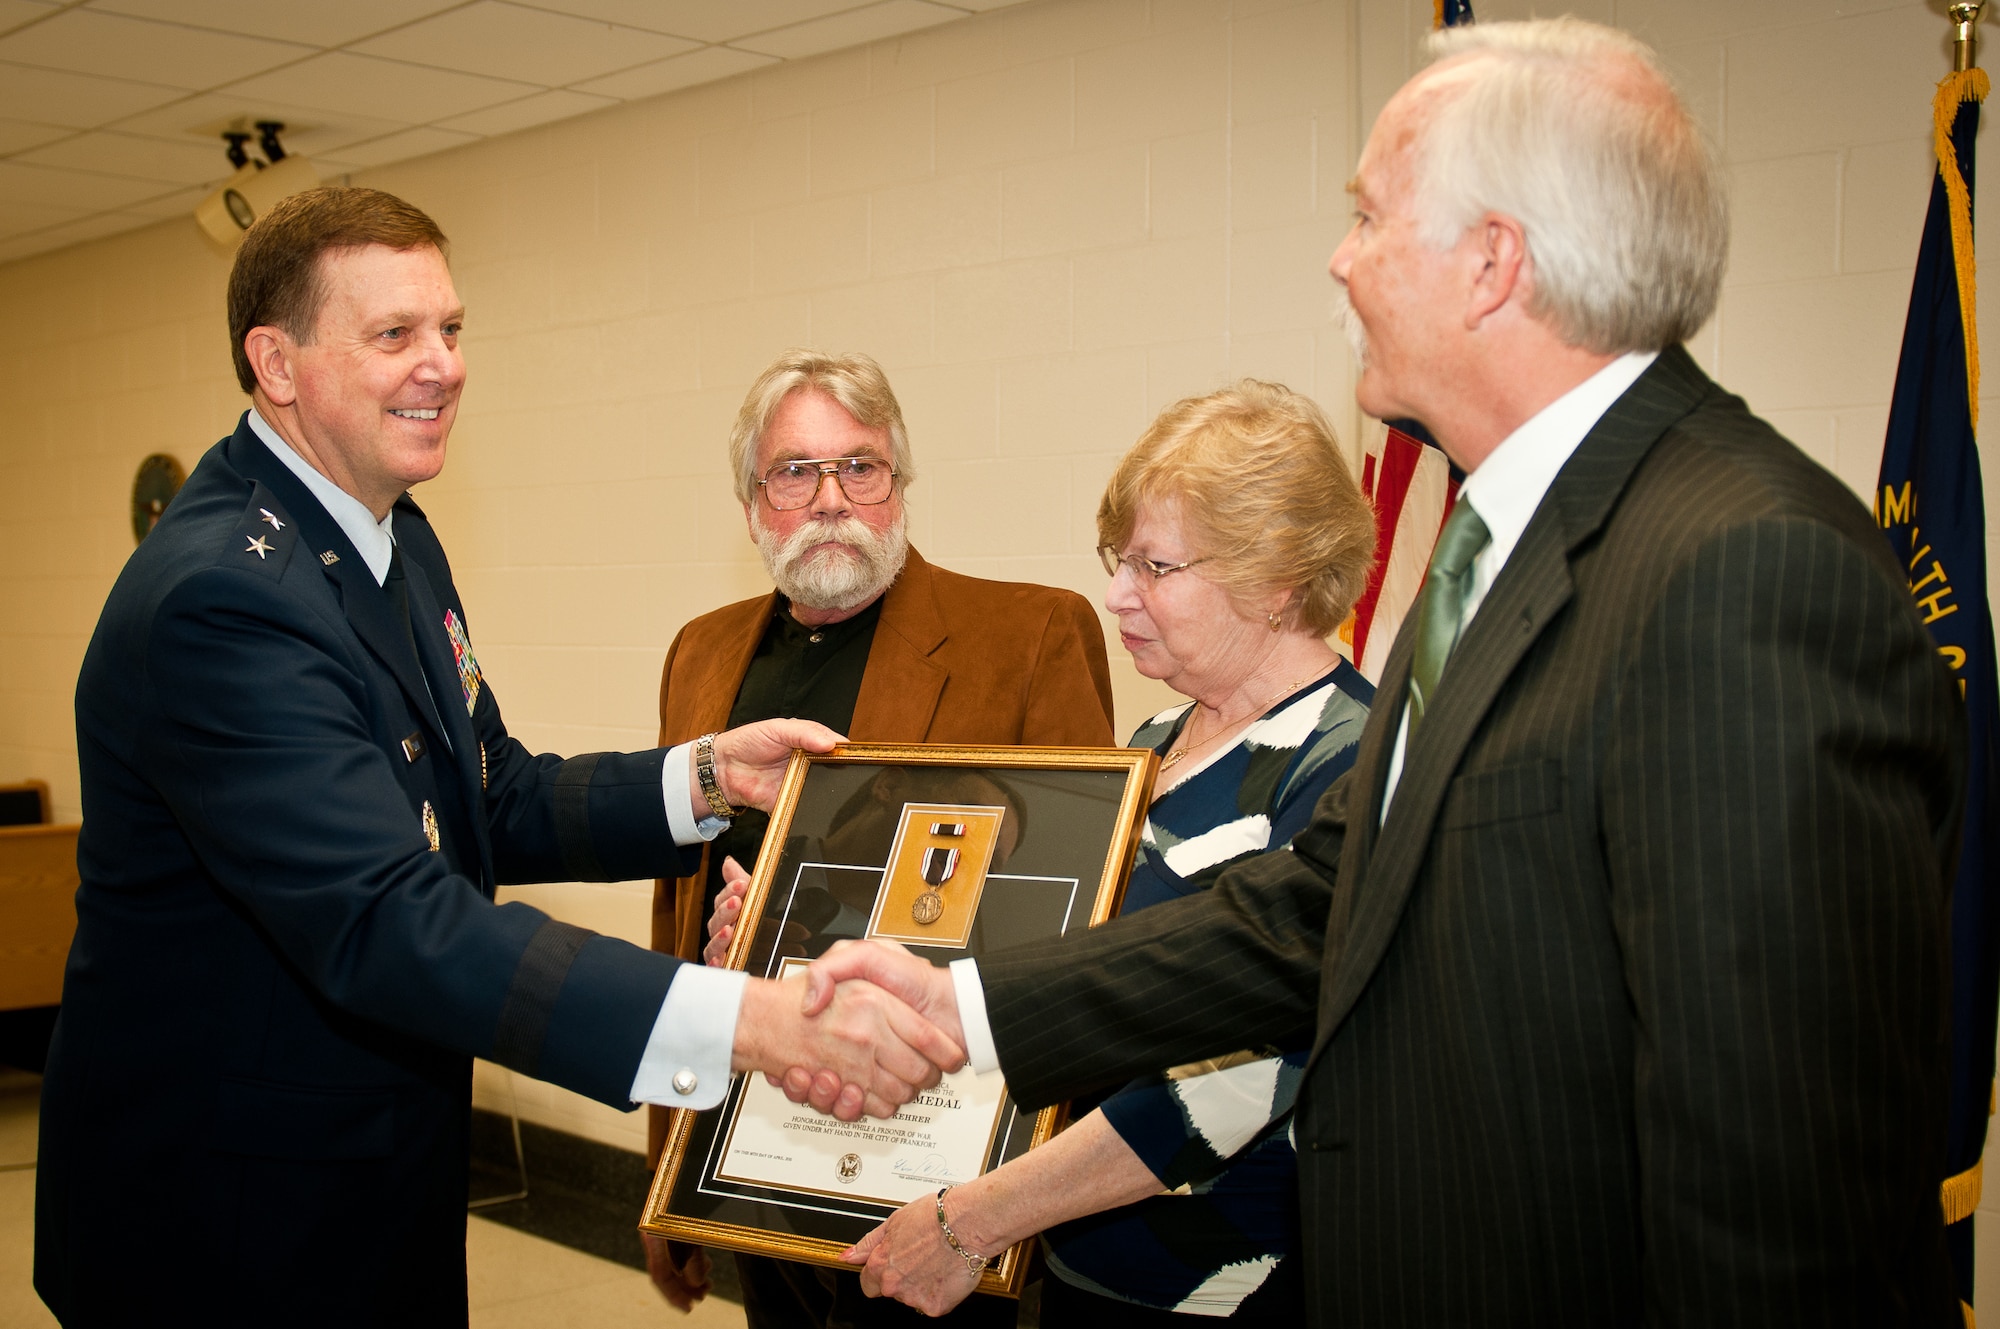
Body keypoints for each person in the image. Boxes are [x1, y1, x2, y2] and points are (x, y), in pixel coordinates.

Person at [811, 19, 1967, 1325]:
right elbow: (1317, 913)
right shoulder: (1498, 550)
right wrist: (963, 1003)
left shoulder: (1744, 570)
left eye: (1370, 215)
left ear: (1491, 264)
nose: (1339, 258)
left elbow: (1784, 1186)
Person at [35, 186, 962, 1327]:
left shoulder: (391, 537)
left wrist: (708, 776)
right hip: (227, 1217)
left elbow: (489, 793)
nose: (443, 366)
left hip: (374, 1166)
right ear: (276, 363)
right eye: (394, 335)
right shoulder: (222, 598)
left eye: (451, 329)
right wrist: (752, 1021)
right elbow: (385, 915)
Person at [759, 380, 1375, 1321]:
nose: (1116, 594)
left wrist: (973, 1221)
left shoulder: (1347, 764)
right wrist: (788, 922)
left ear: (1276, 576)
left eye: (1156, 568)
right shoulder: (1160, 737)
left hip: (1227, 1288)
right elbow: (1058, 966)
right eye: (1117, 560)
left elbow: (1229, 1086)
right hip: (1089, 1262)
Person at [645, 348, 1115, 1324]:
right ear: (751, 506)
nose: (831, 498)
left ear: (898, 489)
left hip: (935, 1151)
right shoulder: (701, 652)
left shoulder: (1026, 638)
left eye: (860, 467)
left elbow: (1071, 924)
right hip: (753, 1146)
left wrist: (817, 931)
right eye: (794, 472)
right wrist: (670, 1172)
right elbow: (676, 914)